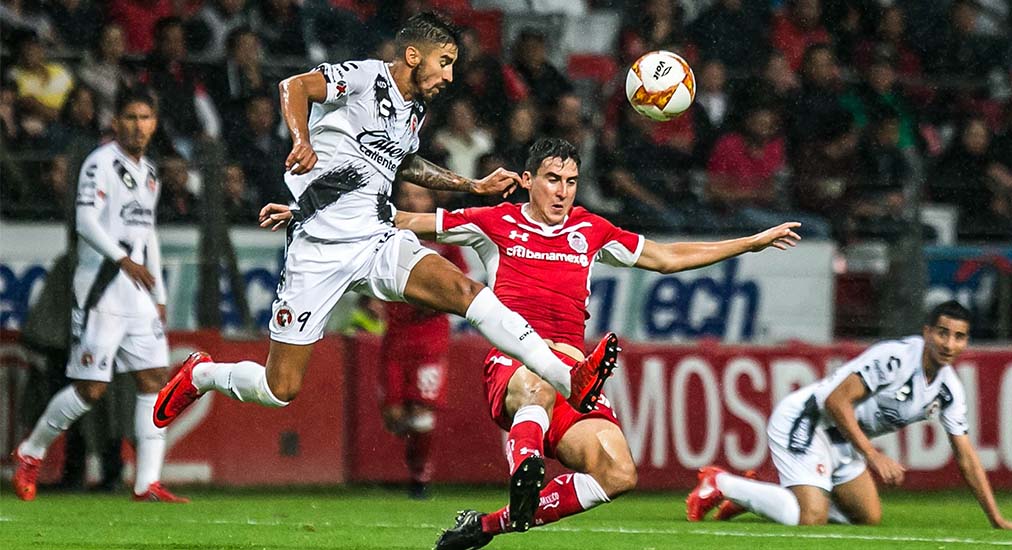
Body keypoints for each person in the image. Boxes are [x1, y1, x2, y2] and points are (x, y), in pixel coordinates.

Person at [259, 137, 802, 547]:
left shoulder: (592, 230)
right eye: (551, 179)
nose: (562, 191)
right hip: (514, 367)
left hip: (573, 375)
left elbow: (666, 256)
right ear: (527, 179)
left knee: (618, 472)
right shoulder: (492, 222)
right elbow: (401, 218)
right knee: (544, 372)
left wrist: (751, 243)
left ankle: (491, 524)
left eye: (570, 181)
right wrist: (307, 215)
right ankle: (524, 463)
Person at [153, 12, 619, 436]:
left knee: (466, 293)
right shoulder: (365, 77)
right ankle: (201, 374)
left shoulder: (413, 111)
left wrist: (471, 186)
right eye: (445, 61)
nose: (450, 75)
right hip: (318, 248)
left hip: (377, 239)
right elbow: (294, 86)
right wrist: (302, 140)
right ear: (413, 56)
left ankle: (567, 378)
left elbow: (406, 163)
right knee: (280, 388)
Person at [687, 301, 1012, 531]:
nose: (949, 343)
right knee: (811, 519)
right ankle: (722, 483)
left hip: (842, 440)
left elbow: (966, 457)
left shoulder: (948, 389)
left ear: (966, 342)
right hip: (809, 420)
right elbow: (837, 402)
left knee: (867, 519)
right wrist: (872, 454)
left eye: (959, 337)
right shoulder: (896, 359)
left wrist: (996, 518)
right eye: (942, 333)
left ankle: (764, 493)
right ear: (927, 332)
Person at [11, 86, 187, 503]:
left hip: (138, 294)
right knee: (91, 389)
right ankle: (32, 450)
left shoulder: (149, 172)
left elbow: (149, 235)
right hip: (101, 291)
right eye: (130, 117)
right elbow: (85, 222)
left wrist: (158, 291)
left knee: (153, 381)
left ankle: (147, 482)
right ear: (115, 122)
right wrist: (123, 260)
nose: (138, 126)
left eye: (145, 118)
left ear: (155, 124)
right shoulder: (99, 163)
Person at [378, 182, 467, 500]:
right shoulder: (387, 235)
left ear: (432, 200)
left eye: (420, 195)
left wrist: (432, 300)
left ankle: (420, 477)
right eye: (407, 195)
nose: (413, 201)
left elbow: (460, 285)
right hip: (396, 336)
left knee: (422, 410)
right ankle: (414, 452)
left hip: (430, 338)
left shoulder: (444, 240)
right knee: (394, 416)